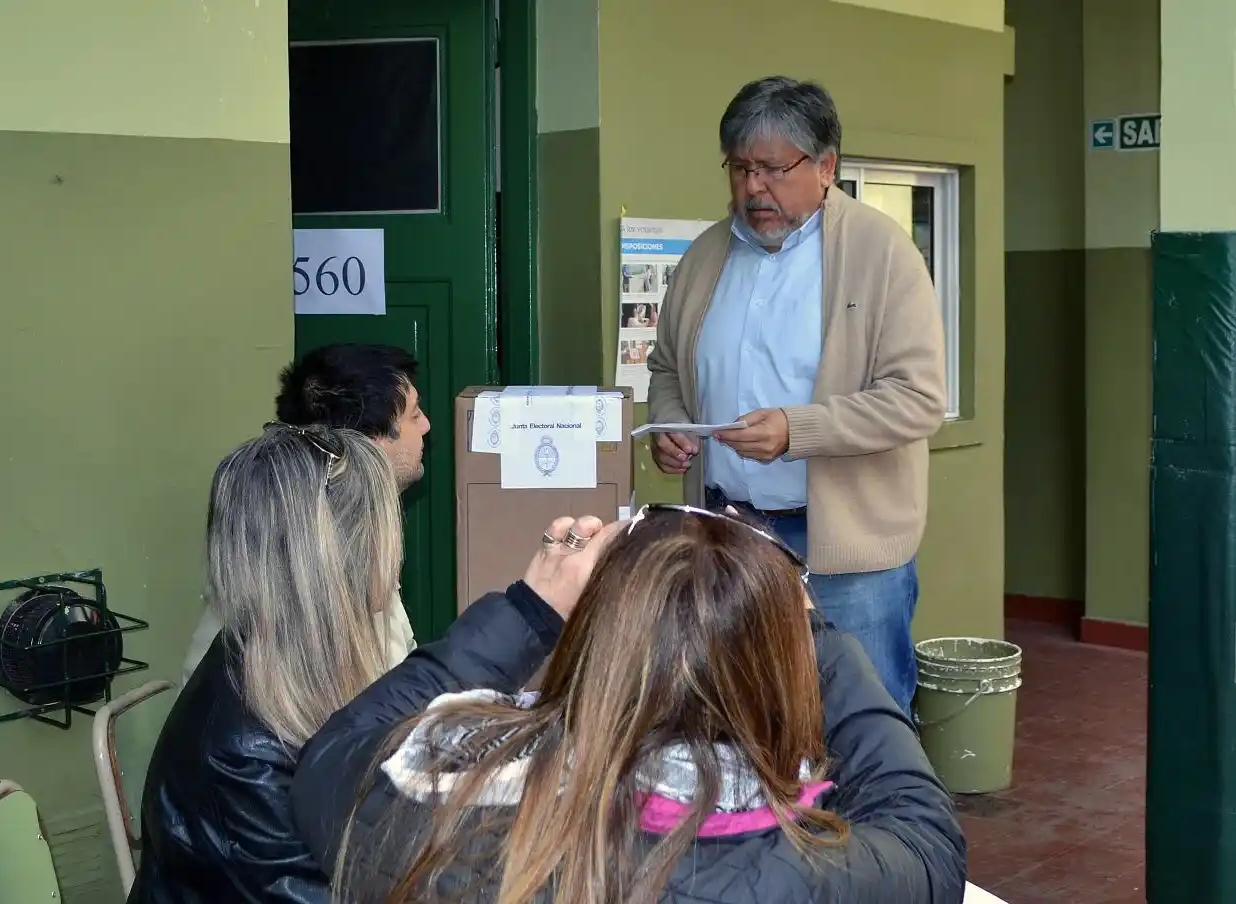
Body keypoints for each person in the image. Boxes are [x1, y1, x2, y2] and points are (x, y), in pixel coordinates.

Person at [290, 505, 966, 904]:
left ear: (596, 641)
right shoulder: (810, 875)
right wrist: (808, 633)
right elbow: (922, 831)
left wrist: (531, 610)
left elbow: (334, 757)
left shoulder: (438, 815)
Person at [130, 418, 613, 904]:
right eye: (389, 523)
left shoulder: (280, 662)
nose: (396, 548)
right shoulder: (245, 754)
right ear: (344, 552)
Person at [645, 76, 947, 713]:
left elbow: (917, 397)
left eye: (774, 169)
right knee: (740, 723)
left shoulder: (882, 252)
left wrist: (795, 430)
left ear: (826, 167)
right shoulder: (705, 256)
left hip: (846, 558)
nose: (754, 187)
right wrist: (671, 423)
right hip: (727, 537)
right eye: (740, 168)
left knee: (859, 726)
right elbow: (668, 367)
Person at [179, 343, 431, 686]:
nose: (426, 425)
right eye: (414, 415)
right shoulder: (311, 553)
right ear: (369, 442)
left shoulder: (327, 524)